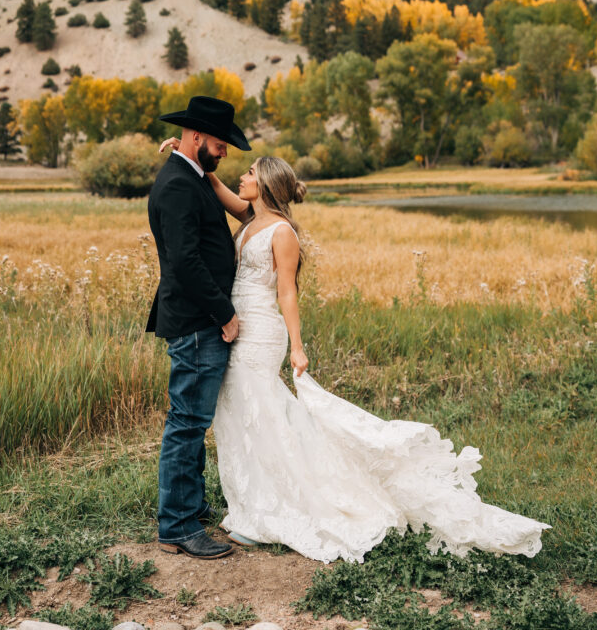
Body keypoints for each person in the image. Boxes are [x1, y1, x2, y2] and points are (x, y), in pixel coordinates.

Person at [159, 143, 551, 563]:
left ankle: (274, 508)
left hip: (261, 332)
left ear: (266, 184)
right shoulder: (252, 218)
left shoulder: (283, 232)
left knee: (263, 414)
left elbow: (288, 292)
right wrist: (193, 159)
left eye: (251, 172)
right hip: (239, 327)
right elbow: (223, 191)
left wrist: (298, 346)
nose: (243, 176)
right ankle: (253, 502)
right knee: (241, 414)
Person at [147, 95, 251, 560]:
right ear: (195, 137)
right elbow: (185, 262)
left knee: (193, 421)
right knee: (187, 423)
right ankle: (177, 526)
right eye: (220, 143)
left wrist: (197, 163)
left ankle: (192, 506)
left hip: (197, 320)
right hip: (196, 321)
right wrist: (224, 314)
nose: (225, 151)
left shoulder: (190, 175)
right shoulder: (177, 185)